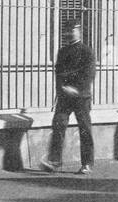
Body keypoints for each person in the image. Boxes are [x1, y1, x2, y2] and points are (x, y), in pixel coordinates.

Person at [41, 22, 96, 175]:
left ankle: (87, 163)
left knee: (85, 129)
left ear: (79, 31)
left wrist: (76, 89)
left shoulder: (87, 51)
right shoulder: (63, 51)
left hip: (81, 97)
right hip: (65, 97)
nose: (70, 33)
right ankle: (55, 161)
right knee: (58, 125)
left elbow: (89, 74)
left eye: (73, 30)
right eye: (67, 30)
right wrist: (62, 89)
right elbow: (58, 73)